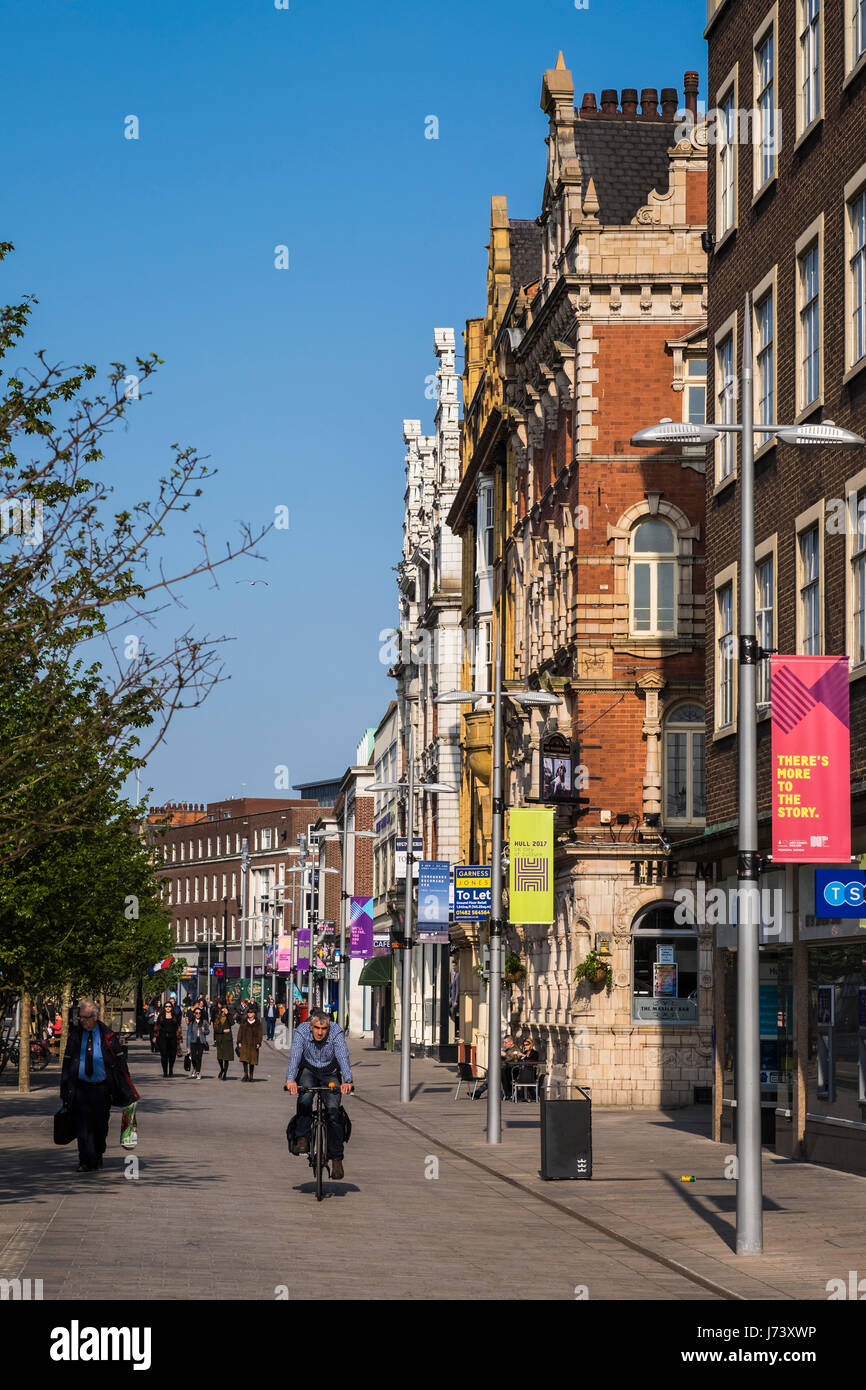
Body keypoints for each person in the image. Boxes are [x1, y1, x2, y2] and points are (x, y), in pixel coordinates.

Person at [60, 1000, 138, 1173]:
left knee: (100, 1125)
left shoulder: (107, 1035)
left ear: (95, 1017)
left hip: (102, 1088)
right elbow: (67, 1064)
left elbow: (120, 1064)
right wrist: (65, 1088)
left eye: (86, 1017)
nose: (82, 1021)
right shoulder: (75, 1036)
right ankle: (85, 1160)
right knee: (82, 1125)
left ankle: (98, 1152)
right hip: (80, 1087)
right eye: (80, 1017)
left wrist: (126, 1089)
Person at [283, 1006, 353, 1181]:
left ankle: (337, 1159)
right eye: (317, 1028)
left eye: (324, 1029)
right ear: (310, 1026)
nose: (320, 1033)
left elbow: (343, 1055)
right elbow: (295, 1057)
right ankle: (302, 1139)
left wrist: (348, 1080)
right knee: (305, 1097)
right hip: (309, 1069)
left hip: (330, 1071)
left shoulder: (336, 1032)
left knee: (333, 1111)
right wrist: (290, 1080)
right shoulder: (301, 1032)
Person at [155, 999, 183, 1077]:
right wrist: (155, 1036)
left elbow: (178, 1027)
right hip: (162, 1038)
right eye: (166, 1006)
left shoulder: (175, 1016)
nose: (168, 1008)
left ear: (171, 1007)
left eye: (169, 1006)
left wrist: (180, 1038)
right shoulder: (161, 1016)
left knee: (172, 1055)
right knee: (164, 1055)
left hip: (172, 1038)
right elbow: (157, 1026)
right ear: (164, 1007)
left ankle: (170, 1069)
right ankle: (165, 1072)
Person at [237, 1006, 262, 1082]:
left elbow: (259, 1033)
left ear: (254, 1014)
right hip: (245, 1043)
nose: (249, 1014)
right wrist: (239, 1041)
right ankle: (245, 1075)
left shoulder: (257, 1023)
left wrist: (258, 1042)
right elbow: (240, 1032)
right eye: (248, 1012)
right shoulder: (244, 1021)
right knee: (244, 1060)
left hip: (253, 1044)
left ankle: (251, 1076)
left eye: (251, 1012)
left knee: (252, 1060)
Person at [186, 1004, 209, 1079]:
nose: (198, 1014)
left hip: (201, 1041)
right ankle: (195, 1068)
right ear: (194, 1014)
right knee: (193, 1057)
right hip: (193, 1041)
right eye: (196, 1013)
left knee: (199, 1057)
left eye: (199, 1013)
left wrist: (204, 1030)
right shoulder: (191, 1022)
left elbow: (208, 1031)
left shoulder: (204, 1022)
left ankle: (198, 1072)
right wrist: (188, 1046)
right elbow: (188, 1034)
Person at [213, 1004, 234, 1079]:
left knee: (226, 1058)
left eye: (225, 1010)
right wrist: (223, 1030)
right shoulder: (217, 1017)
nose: (224, 1011)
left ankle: (225, 1073)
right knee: (219, 1057)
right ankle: (222, 1069)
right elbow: (215, 1028)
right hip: (219, 1039)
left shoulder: (228, 1017)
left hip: (227, 1040)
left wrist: (228, 1014)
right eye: (223, 1010)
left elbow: (232, 1023)